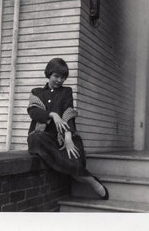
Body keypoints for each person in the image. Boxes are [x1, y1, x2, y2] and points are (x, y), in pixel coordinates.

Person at [27, 57, 109, 200]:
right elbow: (33, 112)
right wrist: (53, 115)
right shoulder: (36, 92)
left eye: (63, 77)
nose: (59, 80)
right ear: (48, 74)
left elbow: (69, 113)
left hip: (63, 135)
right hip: (45, 137)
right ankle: (89, 179)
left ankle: (90, 181)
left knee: (73, 154)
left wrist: (68, 137)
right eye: (56, 76)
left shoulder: (66, 92)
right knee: (35, 138)